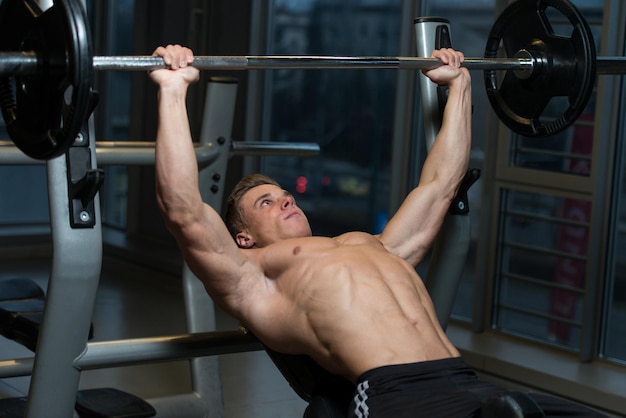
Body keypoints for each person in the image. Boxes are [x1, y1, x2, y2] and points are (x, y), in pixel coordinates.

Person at [150, 44, 607, 418]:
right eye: (265, 202)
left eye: (286, 193)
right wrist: (173, 91)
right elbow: (184, 211)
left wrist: (461, 86)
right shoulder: (252, 276)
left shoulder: (375, 245)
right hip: (392, 395)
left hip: (464, 381)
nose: (286, 199)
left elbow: (439, 184)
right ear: (243, 237)